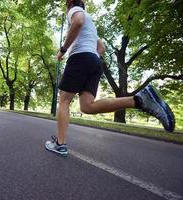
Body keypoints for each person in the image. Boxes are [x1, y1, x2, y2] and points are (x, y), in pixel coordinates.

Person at [45, 0, 175, 156]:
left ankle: (60, 144)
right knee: (87, 106)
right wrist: (90, 57)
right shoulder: (91, 25)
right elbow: (101, 48)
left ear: (70, 3)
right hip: (94, 61)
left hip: (79, 58)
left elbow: (78, 22)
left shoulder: (75, 11)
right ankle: (139, 100)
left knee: (64, 101)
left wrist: (63, 50)